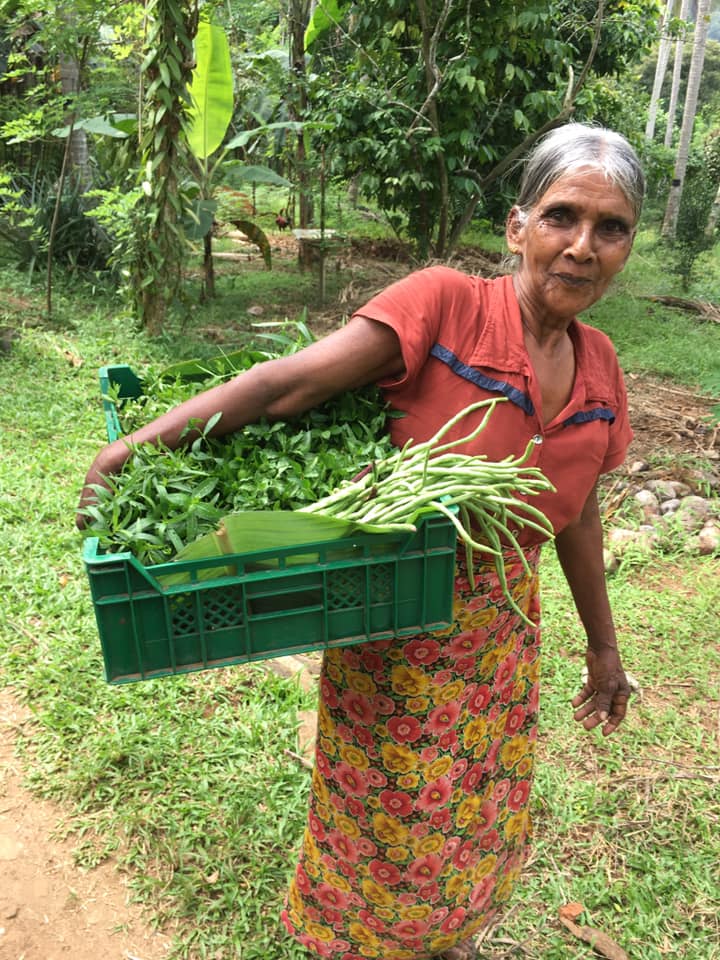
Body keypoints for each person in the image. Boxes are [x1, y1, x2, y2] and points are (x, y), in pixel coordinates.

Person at [77, 122, 642, 960]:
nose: (583, 247)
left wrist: (604, 646)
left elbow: (581, 512)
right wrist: (125, 452)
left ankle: (449, 934)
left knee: (477, 802)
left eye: (611, 228)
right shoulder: (447, 303)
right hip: (398, 610)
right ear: (518, 227)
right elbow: (285, 387)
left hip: (502, 631)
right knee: (391, 814)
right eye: (563, 216)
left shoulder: (600, 366)